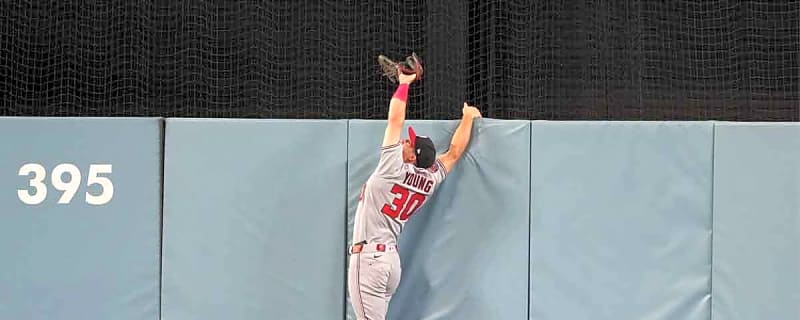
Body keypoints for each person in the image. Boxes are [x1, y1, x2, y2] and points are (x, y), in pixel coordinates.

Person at [347, 60, 482, 320]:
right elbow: (454, 153)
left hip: (370, 262)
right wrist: (468, 117)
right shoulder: (429, 179)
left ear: (411, 158)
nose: (407, 141)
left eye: (410, 144)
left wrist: (404, 84)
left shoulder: (392, 166)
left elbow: (395, 118)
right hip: (389, 265)